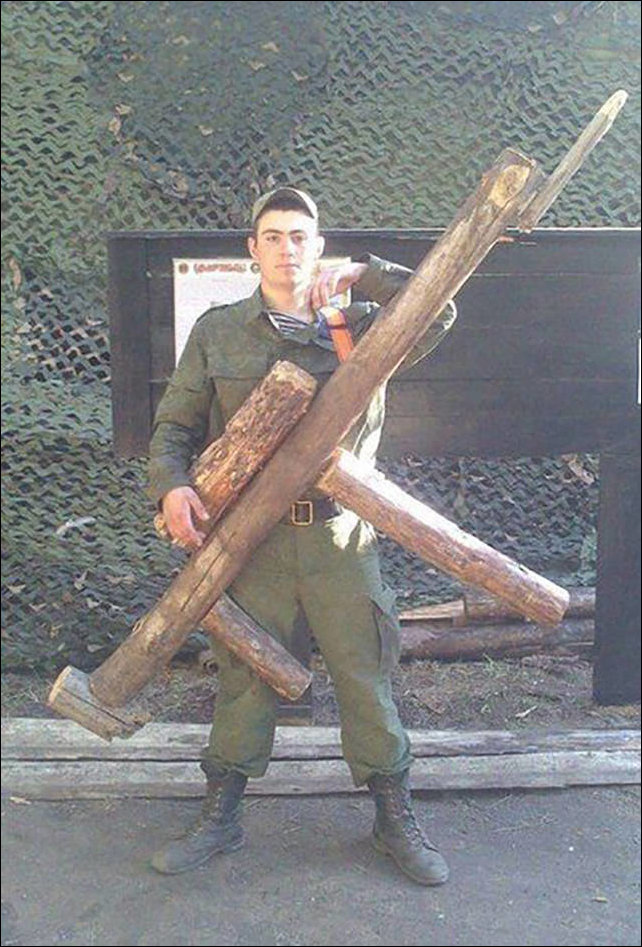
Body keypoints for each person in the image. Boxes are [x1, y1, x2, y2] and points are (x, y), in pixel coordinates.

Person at [147, 186, 457, 884]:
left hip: (340, 543)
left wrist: (366, 273)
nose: (287, 248)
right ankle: (220, 816)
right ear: (252, 250)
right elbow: (174, 427)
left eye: (299, 236)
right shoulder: (219, 331)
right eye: (273, 236)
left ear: (318, 248)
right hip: (250, 544)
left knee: (365, 677)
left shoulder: (361, 326)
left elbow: (438, 310)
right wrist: (171, 486)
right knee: (243, 679)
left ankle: (394, 819)